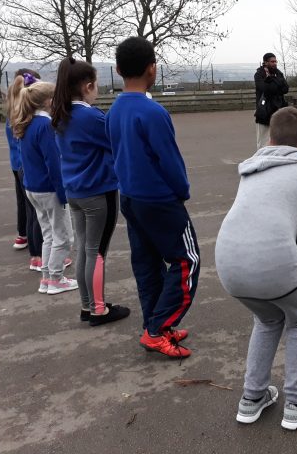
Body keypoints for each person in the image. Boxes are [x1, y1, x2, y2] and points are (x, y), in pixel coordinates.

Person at [216, 107, 297, 430]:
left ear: (270, 138)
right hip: (275, 261)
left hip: (228, 262)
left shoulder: (252, 167)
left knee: (267, 319)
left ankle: (252, 398)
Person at [106, 37, 200, 358]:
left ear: (118, 70)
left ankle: (156, 324)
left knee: (147, 264)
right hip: (159, 200)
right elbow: (169, 161)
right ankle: (157, 329)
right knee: (187, 261)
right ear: (152, 69)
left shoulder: (114, 109)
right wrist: (182, 192)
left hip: (130, 198)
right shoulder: (153, 112)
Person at [52, 57, 130, 326]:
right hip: (98, 190)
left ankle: (88, 305)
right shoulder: (90, 116)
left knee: (85, 248)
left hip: (75, 191)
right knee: (96, 252)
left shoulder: (61, 113)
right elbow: (117, 141)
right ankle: (99, 309)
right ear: (87, 86)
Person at [12, 80, 77, 294]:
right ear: (49, 101)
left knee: (49, 234)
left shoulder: (27, 124)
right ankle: (56, 278)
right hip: (48, 189)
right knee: (64, 236)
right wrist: (63, 194)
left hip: (33, 188)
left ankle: (48, 278)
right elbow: (53, 164)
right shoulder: (46, 126)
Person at [6, 69, 44, 269]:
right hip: (27, 166)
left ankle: (24, 237)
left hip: (17, 164)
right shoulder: (28, 117)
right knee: (35, 211)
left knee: (25, 204)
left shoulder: (14, 111)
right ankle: (37, 253)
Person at [254, 53, 289, 150]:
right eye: (272, 62)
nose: (274, 63)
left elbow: (285, 89)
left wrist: (272, 80)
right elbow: (265, 89)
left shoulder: (278, 73)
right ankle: (262, 160)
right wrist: (277, 83)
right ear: (265, 62)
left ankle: (278, 158)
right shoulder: (259, 74)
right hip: (264, 110)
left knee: (280, 137)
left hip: (278, 109)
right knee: (263, 139)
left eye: (275, 61)